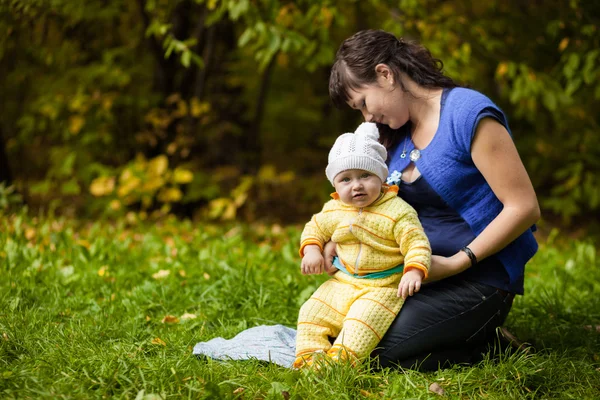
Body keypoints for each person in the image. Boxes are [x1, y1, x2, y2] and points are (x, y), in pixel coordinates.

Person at [326, 29, 541, 370]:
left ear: (385, 74)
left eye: (364, 103)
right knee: (338, 336)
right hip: (411, 274)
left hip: (479, 278)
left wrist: (458, 262)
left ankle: (486, 342)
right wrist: (337, 237)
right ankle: (466, 334)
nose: (366, 119)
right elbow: (371, 202)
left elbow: (524, 207)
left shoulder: (467, 114)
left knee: (372, 353)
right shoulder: (393, 136)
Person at [294, 122, 431, 369]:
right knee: (311, 312)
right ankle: (308, 358)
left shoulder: (397, 211)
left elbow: (417, 242)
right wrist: (313, 249)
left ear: (381, 177)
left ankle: (337, 367)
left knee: (360, 326)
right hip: (343, 280)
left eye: (365, 175)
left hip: (382, 286)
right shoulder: (335, 209)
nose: (356, 185)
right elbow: (315, 227)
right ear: (334, 185)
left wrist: (413, 270)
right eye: (345, 179)